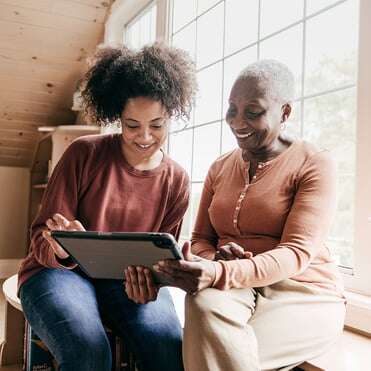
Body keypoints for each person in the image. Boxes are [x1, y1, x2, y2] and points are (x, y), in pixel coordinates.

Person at [153, 60, 346, 371]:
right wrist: (216, 256)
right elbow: (201, 239)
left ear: (285, 112)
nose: (237, 121)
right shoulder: (219, 167)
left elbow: (296, 253)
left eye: (253, 112)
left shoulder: (315, 164)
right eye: (232, 109)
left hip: (303, 290)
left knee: (216, 350)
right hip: (238, 287)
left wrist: (221, 272)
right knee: (201, 305)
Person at [18, 43, 196, 371]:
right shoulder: (83, 154)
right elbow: (41, 239)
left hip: (125, 280)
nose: (144, 136)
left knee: (168, 347)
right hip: (57, 274)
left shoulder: (176, 180)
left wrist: (155, 280)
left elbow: (161, 258)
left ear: (171, 115)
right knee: (88, 350)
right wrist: (59, 246)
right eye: (132, 125)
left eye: (156, 125)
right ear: (117, 116)